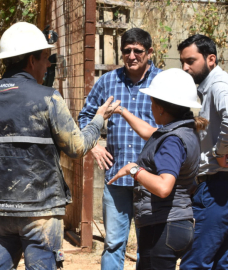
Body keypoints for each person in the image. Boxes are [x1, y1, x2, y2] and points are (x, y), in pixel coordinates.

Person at [0, 22, 120, 270]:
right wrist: (98, 119)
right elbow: (77, 147)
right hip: (40, 212)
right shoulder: (48, 98)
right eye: (45, 58)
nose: (48, 64)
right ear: (31, 61)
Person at [78, 28, 161, 270]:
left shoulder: (162, 82)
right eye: (127, 51)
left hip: (152, 179)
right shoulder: (107, 81)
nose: (132, 56)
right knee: (113, 243)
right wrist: (92, 144)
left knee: (150, 245)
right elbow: (86, 116)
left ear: (150, 52)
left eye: (138, 51)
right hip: (116, 181)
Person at [107, 68, 207, 269]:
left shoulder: (172, 141)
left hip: (163, 227)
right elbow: (149, 132)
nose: (151, 107)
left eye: (152, 103)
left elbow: (163, 187)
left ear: (161, 108)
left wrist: (134, 170)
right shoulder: (184, 130)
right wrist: (122, 111)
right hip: (179, 224)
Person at [177, 35, 228, 270]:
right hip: (225, 187)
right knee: (219, 262)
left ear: (211, 59)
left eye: (190, 61)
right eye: (183, 62)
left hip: (221, 189)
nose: (185, 67)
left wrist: (220, 151)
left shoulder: (218, 86)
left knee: (194, 263)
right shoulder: (210, 87)